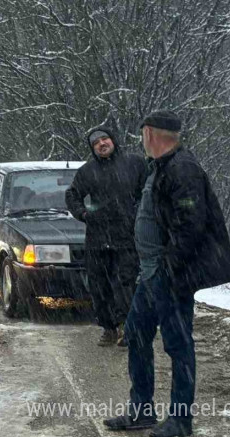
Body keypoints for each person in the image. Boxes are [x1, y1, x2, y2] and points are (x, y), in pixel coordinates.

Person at [103, 111, 230, 437]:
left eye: (143, 134)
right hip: (151, 276)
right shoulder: (160, 167)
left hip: (170, 276)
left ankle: (180, 419)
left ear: (151, 134)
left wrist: (167, 268)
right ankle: (142, 411)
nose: (141, 140)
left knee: (178, 345)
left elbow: (191, 225)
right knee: (135, 333)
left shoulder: (183, 168)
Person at [66, 125, 147, 346]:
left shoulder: (136, 164)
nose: (101, 144)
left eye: (104, 139)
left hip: (127, 238)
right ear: (93, 149)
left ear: (113, 140)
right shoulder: (87, 171)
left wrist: (140, 213)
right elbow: (72, 195)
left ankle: (127, 328)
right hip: (98, 239)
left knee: (125, 283)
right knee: (99, 286)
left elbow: (149, 191)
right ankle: (108, 328)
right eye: (96, 143)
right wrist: (83, 214)